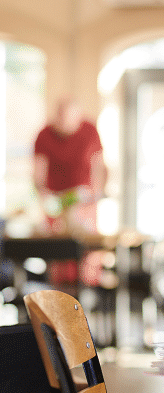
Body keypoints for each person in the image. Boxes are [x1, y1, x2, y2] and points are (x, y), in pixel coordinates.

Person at [33, 96, 107, 287]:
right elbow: (38, 172)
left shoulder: (90, 131)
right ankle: (58, 293)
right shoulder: (44, 135)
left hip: (85, 203)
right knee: (58, 254)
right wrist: (45, 196)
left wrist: (95, 194)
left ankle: (88, 294)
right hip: (57, 205)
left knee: (87, 251)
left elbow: (99, 166)